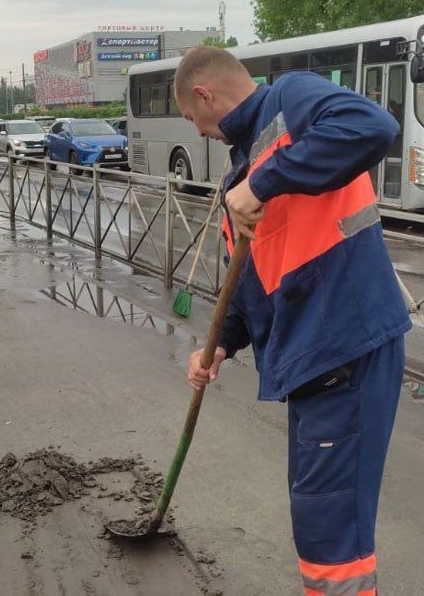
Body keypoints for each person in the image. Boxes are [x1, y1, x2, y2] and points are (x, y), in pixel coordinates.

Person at [176, 46, 411, 595]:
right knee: (317, 517)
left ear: (204, 96)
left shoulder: (290, 98)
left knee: (333, 537)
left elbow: (372, 126)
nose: (201, 133)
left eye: (193, 119)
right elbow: (251, 282)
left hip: (345, 343)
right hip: (311, 356)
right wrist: (221, 345)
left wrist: (264, 180)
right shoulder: (238, 170)